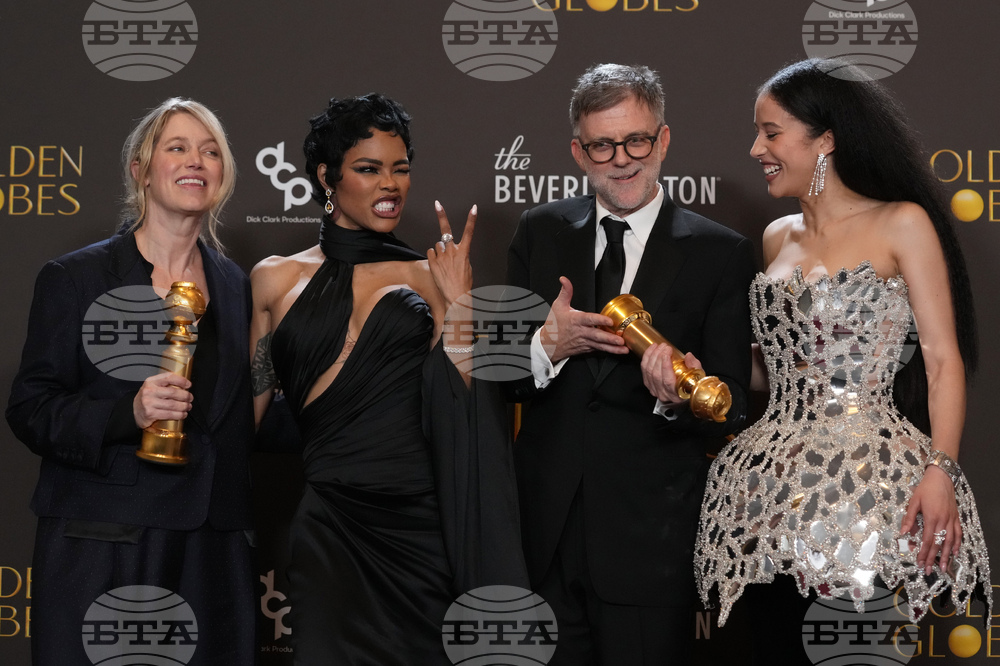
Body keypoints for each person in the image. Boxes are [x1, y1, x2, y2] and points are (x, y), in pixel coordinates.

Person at [695, 58, 992, 661]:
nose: (757, 148)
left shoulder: (900, 224)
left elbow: (941, 360)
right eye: (758, 132)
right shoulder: (778, 236)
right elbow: (782, 371)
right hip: (771, 491)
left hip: (870, 491)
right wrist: (698, 373)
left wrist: (943, 471)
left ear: (824, 139)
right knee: (773, 644)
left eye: (771, 132)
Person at [249, 93, 525, 665]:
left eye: (400, 169)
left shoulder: (430, 276)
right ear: (328, 177)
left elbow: (466, 409)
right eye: (369, 169)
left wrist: (459, 306)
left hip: (418, 528)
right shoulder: (272, 281)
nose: (390, 185)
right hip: (329, 525)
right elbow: (243, 423)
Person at [505, 63, 757, 665]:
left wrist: (677, 399)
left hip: (651, 543)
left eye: (636, 140)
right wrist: (545, 347)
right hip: (545, 535)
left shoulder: (721, 252)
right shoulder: (538, 232)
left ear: (663, 140)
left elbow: (735, 409)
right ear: (578, 151)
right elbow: (500, 377)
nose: (622, 159)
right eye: (602, 145)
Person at [6, 98, 257, 665]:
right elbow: (30, 407)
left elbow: (241, 415)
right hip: (104, 546)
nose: (197, 160)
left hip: (210, 551)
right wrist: (129, 414)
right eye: (178, 147)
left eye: (211, 150)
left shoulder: (236, 285)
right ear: (140, 169)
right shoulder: (75, 277)